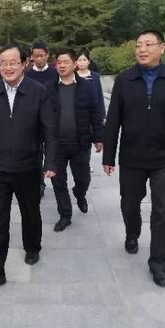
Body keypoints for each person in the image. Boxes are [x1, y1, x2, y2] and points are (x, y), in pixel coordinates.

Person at [103, 30, 165, 287]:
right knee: (129, 204)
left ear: (161, 48)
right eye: (138, 45)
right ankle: (132, 233)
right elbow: (113, 121)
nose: (142, 49)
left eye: (148, 44)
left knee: (163, 211)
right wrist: (109, 155)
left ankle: (158, 263)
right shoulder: (124, 80)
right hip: (132, 156)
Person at [0, 44, 57, 291]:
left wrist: (50, 161)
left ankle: (32, 247)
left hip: (28, 166)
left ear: (24, 64)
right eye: (3, 63)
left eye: (13, 62)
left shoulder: (38, 91)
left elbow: (50, 130)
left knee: (30, 212)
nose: (8, 67)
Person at [46, 48, 104, 232]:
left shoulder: (86, 86)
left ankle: (79, 193)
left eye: (66, 62)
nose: (62, 65)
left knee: (83, 179)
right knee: (58, 181)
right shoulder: (49, 88)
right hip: (57, 145)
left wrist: (98, 137)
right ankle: (65, 215)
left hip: (80, 143)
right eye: (59, 62)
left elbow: (95, 112)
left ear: (74, 64)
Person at [25, 41, 57, 199]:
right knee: (36, 153)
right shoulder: (27, 75)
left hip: (52, 118)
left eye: (42, 55)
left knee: (52, 148)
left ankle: (55, 176)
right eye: (36, 56)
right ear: (31, 56)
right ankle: (39, 183)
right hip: (33, 120)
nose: (39, 59)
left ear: (47, 55)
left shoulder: (54, 73)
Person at [76, 49, 106, 118]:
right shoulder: (72, 76)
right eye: (79, 60)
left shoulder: (95, 76)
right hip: (77, 112)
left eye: (84, 60)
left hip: (93, 112)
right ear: (76, 62)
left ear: (89, 62)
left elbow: (99, 96)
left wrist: (102, 114)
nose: (82, 62)